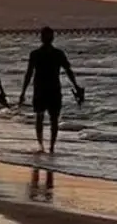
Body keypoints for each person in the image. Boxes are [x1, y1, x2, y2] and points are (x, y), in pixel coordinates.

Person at [19, 26, 83, 154]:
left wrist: (76, 86)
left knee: (46, 118)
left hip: (46, 90)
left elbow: (29, 74)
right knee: (46, 118)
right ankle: (46, 146)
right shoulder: (52, 54)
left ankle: (46, 146)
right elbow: (29, 73)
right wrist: (23, 92)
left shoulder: (40, 54)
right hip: (47, 90)